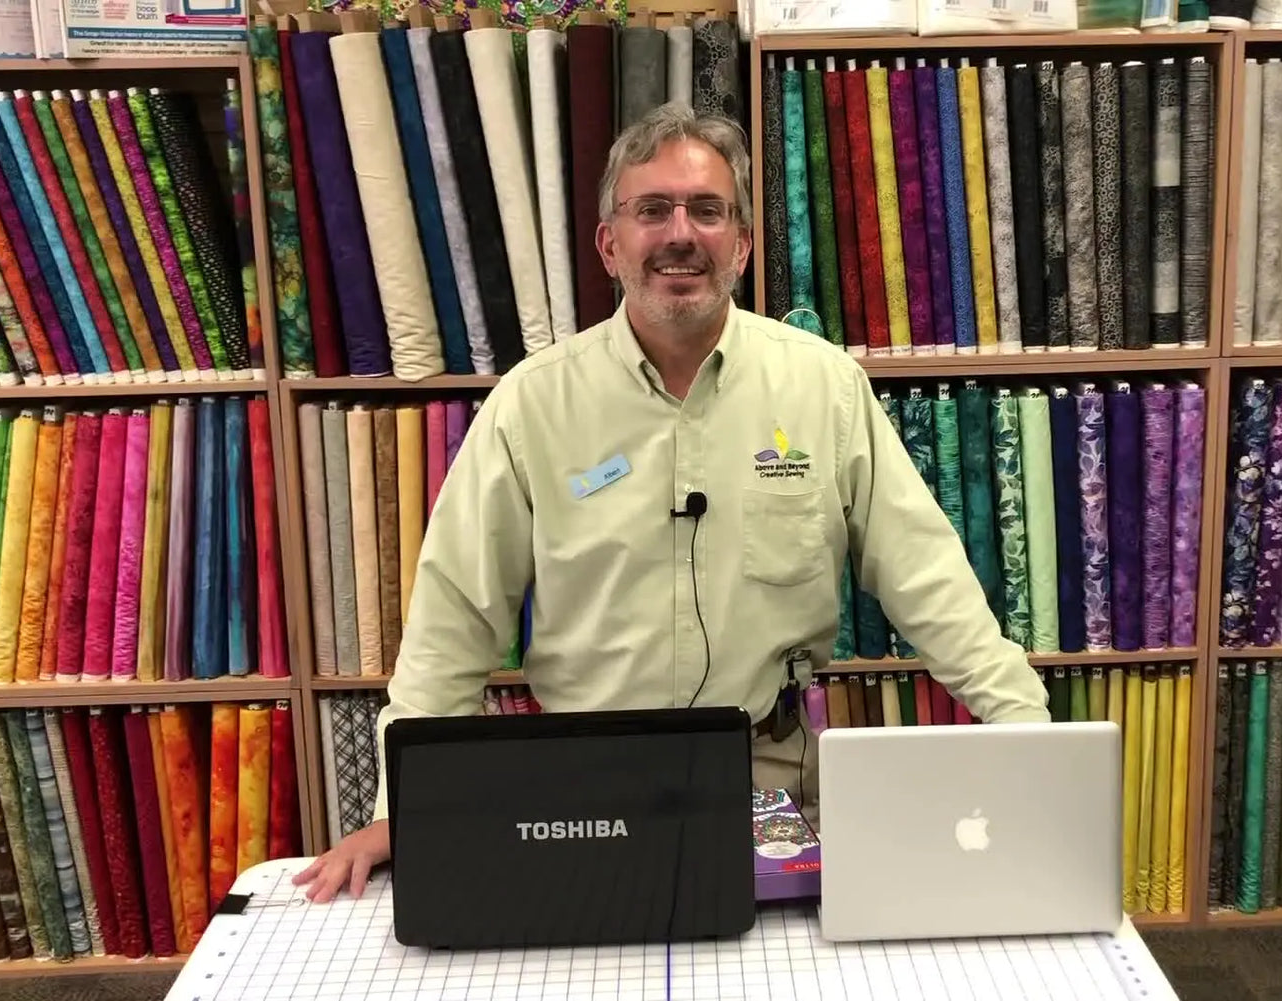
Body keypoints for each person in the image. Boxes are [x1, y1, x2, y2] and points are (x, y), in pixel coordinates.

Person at [292, 104, 1050, 903]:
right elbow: (452, 622)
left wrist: (1031, 738)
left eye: (708, 210)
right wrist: (404, 809)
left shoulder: (823, 386)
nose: (680, 233)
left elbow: (929, 580)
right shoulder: (532, 406)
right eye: (651, 210)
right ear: (609, 245)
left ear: (744, 244)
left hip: (773, 781)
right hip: (582, 787)